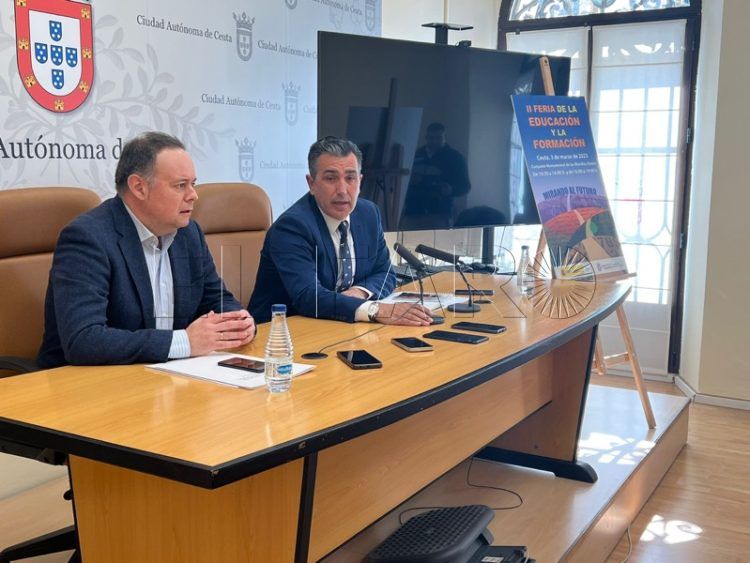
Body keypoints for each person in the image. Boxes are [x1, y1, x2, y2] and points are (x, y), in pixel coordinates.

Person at [37, 132, 255, 368]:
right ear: (139, 187)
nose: (193, 195)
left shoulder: (189, 233)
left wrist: (238, 322)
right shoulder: (88, 237)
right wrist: (184, 342)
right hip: (87, 381)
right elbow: (83, 340)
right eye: (180, 185)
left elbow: (215, 298)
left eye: (192, 184)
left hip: (167, 373)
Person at [249, 136, 433, 326]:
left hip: (341, 325)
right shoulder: (292, 227)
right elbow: (309, 297)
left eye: (350, 178)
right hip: (284, 331)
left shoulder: (369, 214)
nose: (342, 190)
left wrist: (358, 294)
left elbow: (385, 273)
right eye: (331, 178)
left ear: (360, 181)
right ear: (311, 184)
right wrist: (375, 309)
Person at [403, 122, 471, 228]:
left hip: (440, 213)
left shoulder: (456, 158)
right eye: (431, 138)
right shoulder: (415, 155)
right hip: (413, 211)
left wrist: (451, 190)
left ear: (445, 138)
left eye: (438, 138)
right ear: (426, 137)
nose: (434, 141)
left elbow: (465, 187)